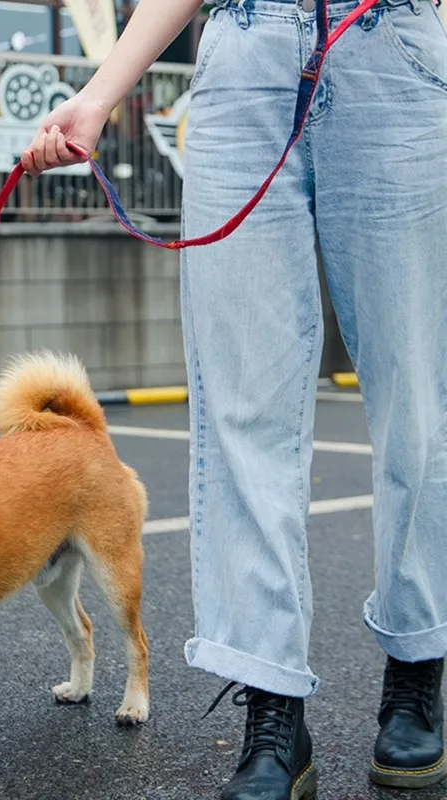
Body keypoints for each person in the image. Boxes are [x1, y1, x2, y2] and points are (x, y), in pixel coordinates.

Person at [23, 0, 447, 796]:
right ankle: (272, 704)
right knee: (242, 410)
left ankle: (419, 658)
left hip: (395, 51)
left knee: (418, 400)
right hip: (244, 58)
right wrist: (101, 92)